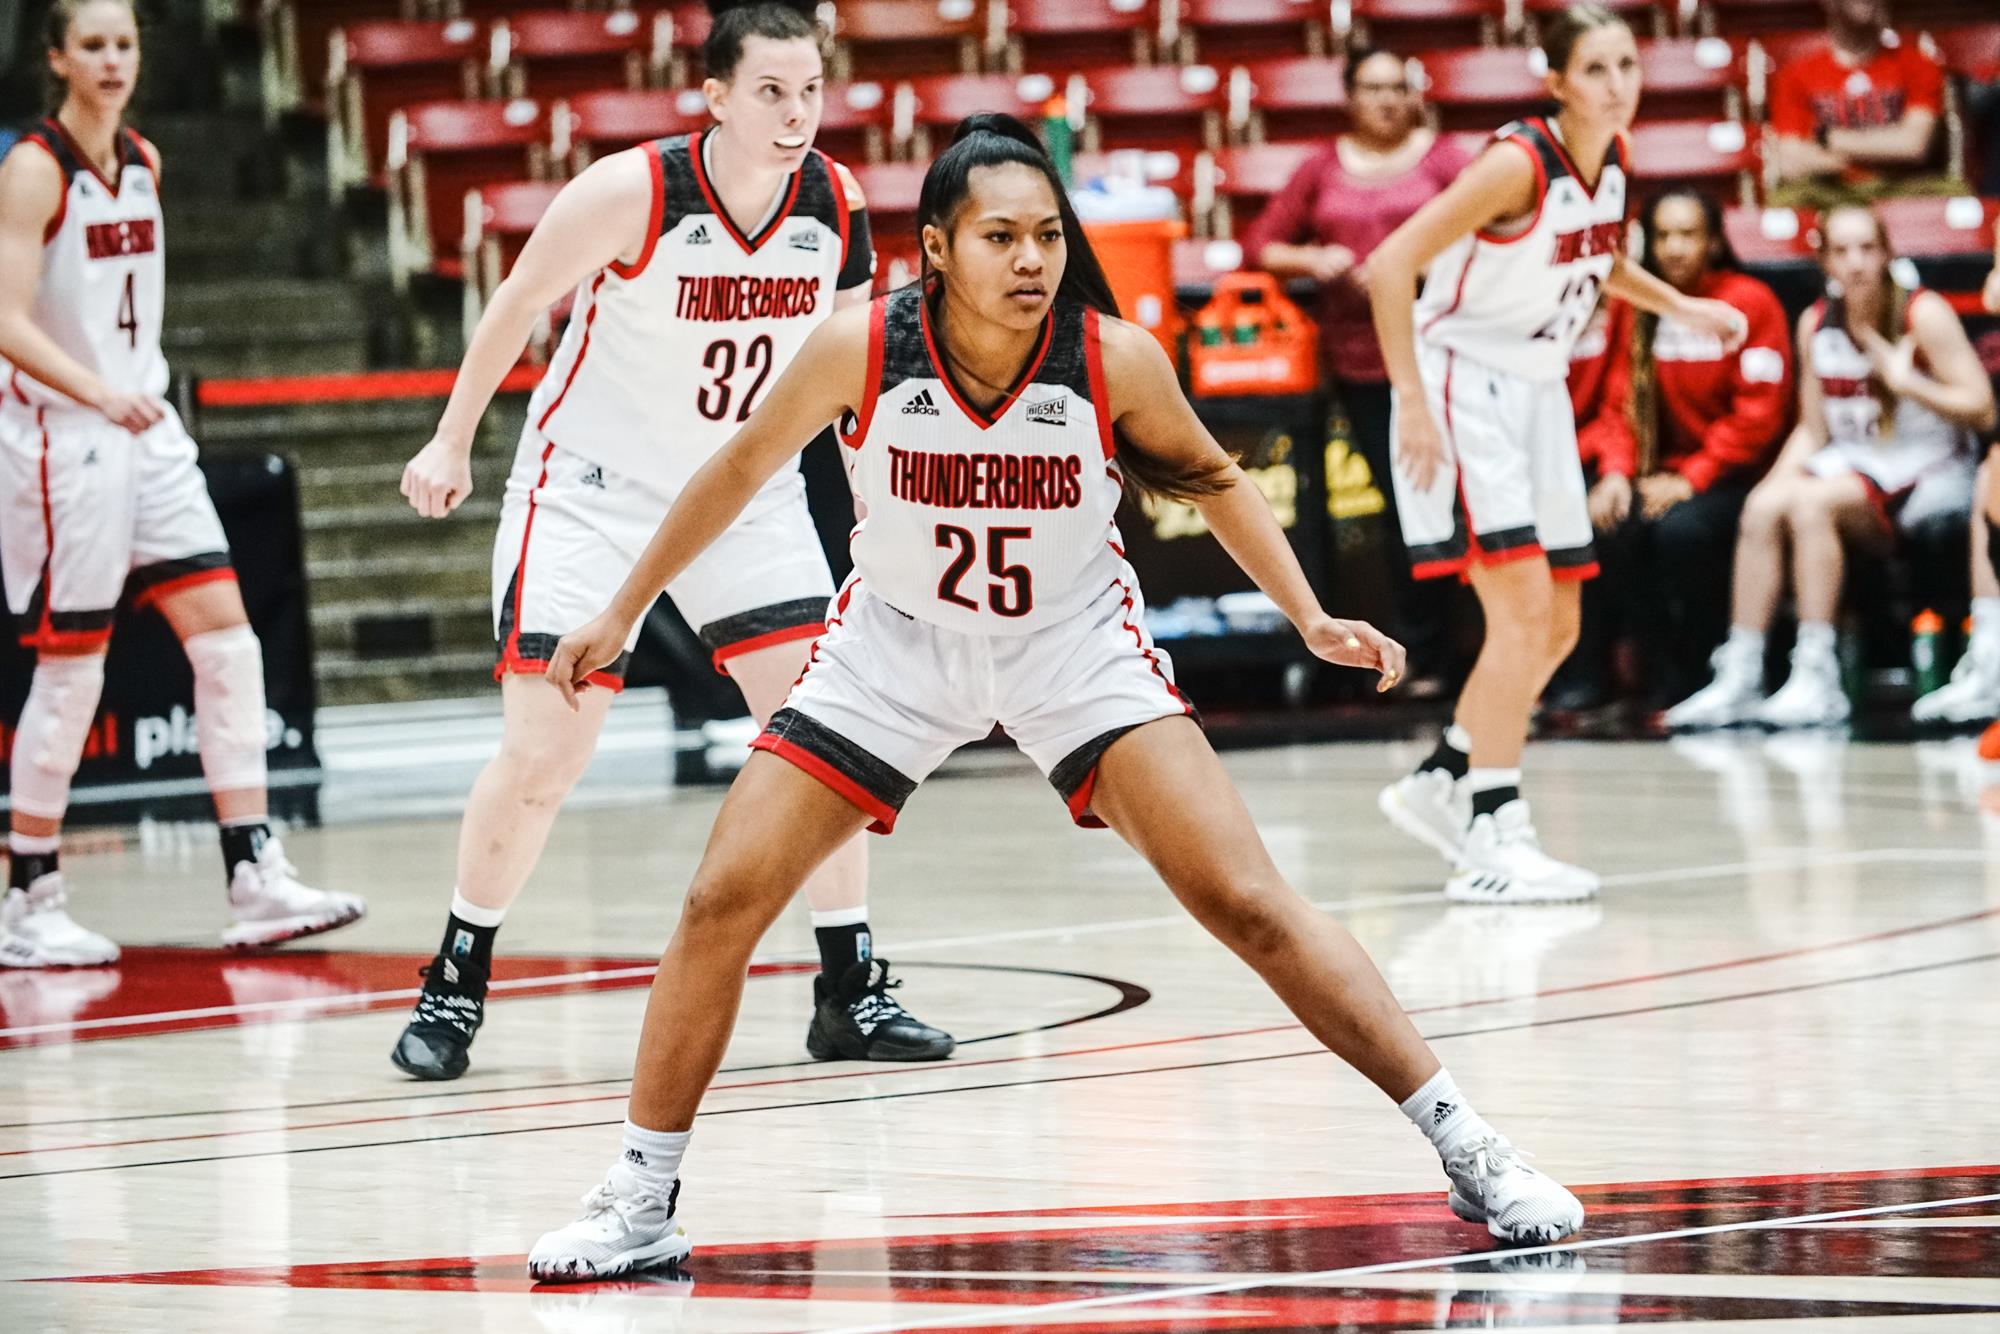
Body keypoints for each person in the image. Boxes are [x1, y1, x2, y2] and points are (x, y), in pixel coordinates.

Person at [524, 113, 1586, 1282]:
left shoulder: (1108, 357)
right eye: (998, 236)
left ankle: (1468, 1141)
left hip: (1070, 645)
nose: (1030, 259)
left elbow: (1211, 476)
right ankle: (640, 1190)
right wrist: (623, 606)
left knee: (1246, 899)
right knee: (721, 897)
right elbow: (731, 470)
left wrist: (1307, 615)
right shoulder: (857, 347)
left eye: (1043, 235)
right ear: (934, 244)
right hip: (896, 644)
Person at [388, 0, 950, 1080]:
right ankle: (456, 977)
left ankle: (848, 988)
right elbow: (517, 298)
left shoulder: (833, 203)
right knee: (549, 749)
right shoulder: (634, 190)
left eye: (810, 91)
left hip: (745, 495)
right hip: (591, 493)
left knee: (822, 737)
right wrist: (451, 438)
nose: (796, 115)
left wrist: (884, 498)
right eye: (771, 93)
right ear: (717, 98)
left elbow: (854, 372)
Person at [0, 0, 364, 967]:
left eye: (124, 43)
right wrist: (95, 393)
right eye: (93, 45)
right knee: (74, 668)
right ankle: (29, 893)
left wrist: (132, 397)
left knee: (230, 646)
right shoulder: (36, 168)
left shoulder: (145, 161)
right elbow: (5, 317)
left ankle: (254, 875)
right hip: (65, 437)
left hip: (146, 431)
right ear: (58, 59)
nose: (113, 60)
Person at [1367, 4, 1747, 902]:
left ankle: (1444, 775)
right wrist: (1414, 403)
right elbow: (1389, 264)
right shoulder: (1516, 161)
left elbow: (1595, 258)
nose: (1620, 85)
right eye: (1599, 69)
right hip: (1463, 380)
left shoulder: (1610, 158)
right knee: (1524, 615)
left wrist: (1683, 308)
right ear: (1558, 81)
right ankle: (1492, 833)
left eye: (1629, 65)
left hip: (1535, 387)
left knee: (1564, 624)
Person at [1667, 204, 1996, 731]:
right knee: (1764, 505)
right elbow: (1815, 433)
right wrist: (1771, 486)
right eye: (1841, 251)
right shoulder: (1816, 321)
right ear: (1822, 259)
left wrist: (1906, 381)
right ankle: (1743, 672)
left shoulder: (1921, 312)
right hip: (1861, 465)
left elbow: (1982, 407)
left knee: (1812, 502)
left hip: (1933, 472)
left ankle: (1818, 674)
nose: (1856, 262)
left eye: (1867, 248)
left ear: (1888, 253)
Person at [1241, 45, 1472, 689]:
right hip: (1363, 361)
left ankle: (1475, 648)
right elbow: (1262, 245)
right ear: (1349, 96)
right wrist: (1314, 262)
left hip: (1445, 355)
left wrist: (1423, 265)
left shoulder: (1448, 160)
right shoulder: (1319, 166)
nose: (1388, 100)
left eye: (1399, 86)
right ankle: (1425, 652)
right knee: (1405, 504)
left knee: (1458, 499)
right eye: (1373, 88)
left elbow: (1489, 230)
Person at [1552, 189, 1793, 714]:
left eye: (1688, 234)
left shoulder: (1751, 303)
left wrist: (1694, 478)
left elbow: (1759, 417)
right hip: (1661, 476)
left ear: (1712, 242)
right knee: (1610, 523)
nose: (1675, 248)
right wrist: (1616, 475)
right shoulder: (1641, 310)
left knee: (1681, 532)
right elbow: (1621, 405)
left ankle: (1706, 668)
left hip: (1742, 478)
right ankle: (1653, 672)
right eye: (1663, 236)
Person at [1766, 0, 1947, 206]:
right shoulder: (1795, 75)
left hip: (1903, 189)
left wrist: (1828, 139)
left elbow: (1914, 145)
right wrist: (1887, 154)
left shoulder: (1918, 65)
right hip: (1828, 192)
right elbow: (1791, 162)